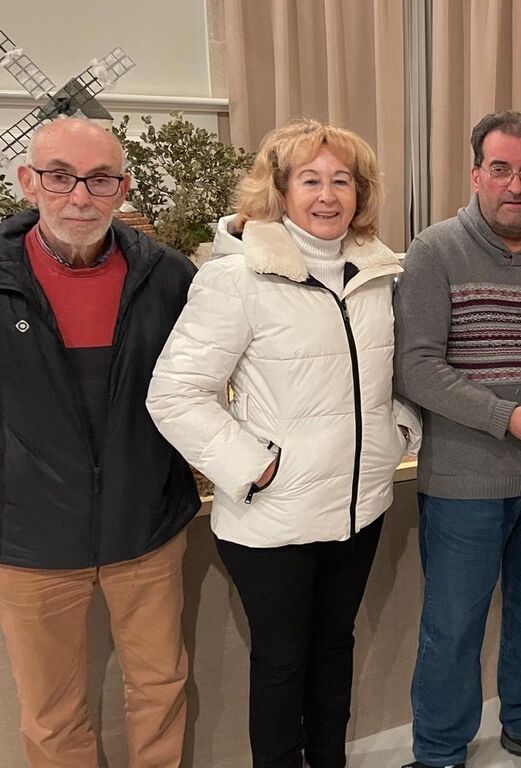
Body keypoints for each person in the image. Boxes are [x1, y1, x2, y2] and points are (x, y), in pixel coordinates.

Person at [147, 118, 408, 768]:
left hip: (358, 507)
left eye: (341, 180)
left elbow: (391, 370)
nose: (328, 195)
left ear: (360, 191)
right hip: (273, 519)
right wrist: (255, 467)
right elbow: (174, 393)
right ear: (280, 189)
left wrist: (396, 432)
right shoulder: (236, 276)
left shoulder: (377, 271)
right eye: (310, 180)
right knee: (282, 665)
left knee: (334, 651)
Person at [394, 111, 521, 768]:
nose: (516, 184)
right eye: (502, 169)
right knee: (452, 627)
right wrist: (504, 417)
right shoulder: (434, 250)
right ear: (476, 173)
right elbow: (416, 366)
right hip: (467, 481)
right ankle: (439, 751)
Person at [0, 117, 199, 767]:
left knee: (160, 688)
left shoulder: (169, 277)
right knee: (51, 712)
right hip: (29, 538)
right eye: (60, 177)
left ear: (124, 187)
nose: (80, 197)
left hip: (145, 528)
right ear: (28, 180)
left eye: (100, 179)